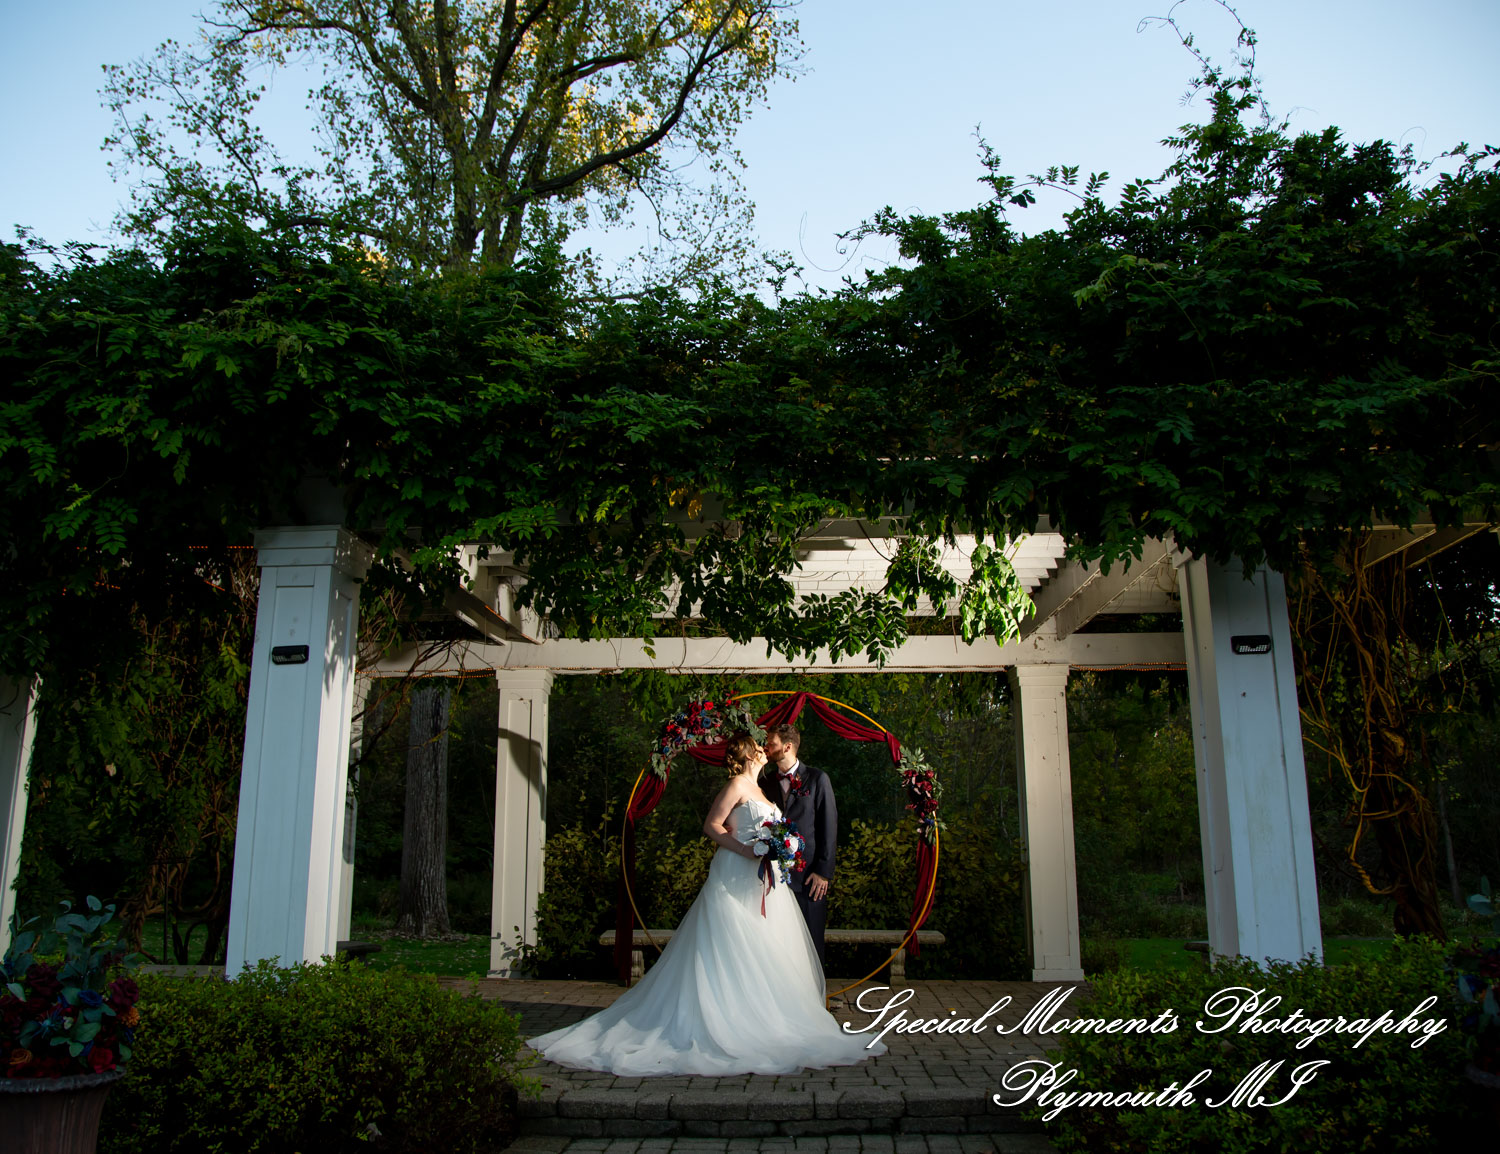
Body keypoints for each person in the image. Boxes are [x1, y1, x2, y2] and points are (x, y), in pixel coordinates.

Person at [526, 732, 882, 1076]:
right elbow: (712, 826)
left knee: (766, 949)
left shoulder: (763, 789)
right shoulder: (737, 785)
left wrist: (781, 849)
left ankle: (759, 1017)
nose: (763, 749)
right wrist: (746, 849)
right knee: (732, 945)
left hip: (767, 884)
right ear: (747, 754)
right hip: (735, 875)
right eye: (758, 746)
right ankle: (721, 1020)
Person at [757, 723, 835, 971]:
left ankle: (816, 1002)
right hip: (773, 878)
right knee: (777, 945)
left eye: (772, 743)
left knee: (811, 943)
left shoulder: (818, 778)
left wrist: (823, 871)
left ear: (788, 746)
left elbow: (829, 827)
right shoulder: (765, 782)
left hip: (809, 877)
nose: (767, 748)